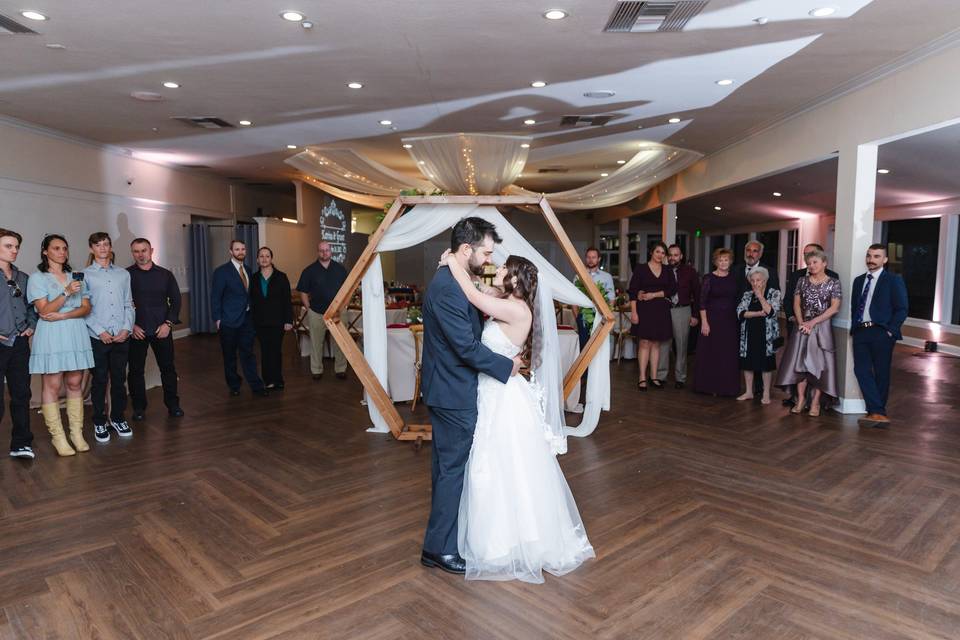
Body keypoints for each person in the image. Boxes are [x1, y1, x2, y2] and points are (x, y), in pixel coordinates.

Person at [440, 249, 595, 583]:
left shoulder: (514, 308)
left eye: (505, 268)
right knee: (498, 465)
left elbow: (471, 294)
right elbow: (482, 294)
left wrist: (454, 262)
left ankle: (505, 543)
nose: (498, 269)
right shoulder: (508, 300)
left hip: (502, 396)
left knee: (499, 465)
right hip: (495, 389)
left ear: (514, 277)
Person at [419, 217, 522, 576]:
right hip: (452, 392)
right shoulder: (448, 288)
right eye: (486, 252)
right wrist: (505, 366)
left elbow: (497, 280)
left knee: (446, 469)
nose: (491, 260)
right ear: (467, 250)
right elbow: (465, 346)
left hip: (448, 387)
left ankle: (439, 541)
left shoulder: (456, 275)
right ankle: (439, 550)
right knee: (451, 472)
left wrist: (455, 260)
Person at [27, 234, 94, 457]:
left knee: (75, 382)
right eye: (56, 248)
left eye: (65, 248)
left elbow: (86, 308)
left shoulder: (75, 275)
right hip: (51, 334)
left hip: (74, 330)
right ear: (45, 251)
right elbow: (44, 311)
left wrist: (65, 316)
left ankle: (76, 433)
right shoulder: (38, 278)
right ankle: (59, 437)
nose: (62, 252)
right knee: (53, 384)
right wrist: (66, 292)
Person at [775, 248, 842, 416]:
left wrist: (812, 322)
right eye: (809, 263)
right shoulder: (802, 281)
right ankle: (801, 399)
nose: (811, 266)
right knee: (800, 366)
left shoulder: (833, 283)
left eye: (815, 263)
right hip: (803, 328)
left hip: (822, 329)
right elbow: (796, 304)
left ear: (824, 263)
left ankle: (815, 403)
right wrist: (802, 322)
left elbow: (834, 308)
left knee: (820, 366)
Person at [84, 232, 135, 443]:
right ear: (91, 249)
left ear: (110, 247)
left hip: (121, 336)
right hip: (98, 337)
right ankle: (99, 420)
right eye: (98, 245)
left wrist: (126, 328)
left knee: (119, 379)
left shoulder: (123, 274)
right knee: (100, 380)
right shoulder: (84, 274)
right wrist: (100, 331)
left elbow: (128, 303)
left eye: (106, 244)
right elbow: (84, 308)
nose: (103, 248)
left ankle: (118, 417)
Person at [850, 244, 908, 428]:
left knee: (881, 373)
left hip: (881, 332)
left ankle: (876, 412)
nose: (871, 260)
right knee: (861, 370)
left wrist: (890, 330)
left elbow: (902, 308)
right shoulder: (859, 281)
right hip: (860, 331)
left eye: (876, 256)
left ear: (884, 260)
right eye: (869, 256)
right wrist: (854, 326)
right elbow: (855, 306)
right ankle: (877, 412)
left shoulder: (893, 280)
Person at [127, 237, 184, 421]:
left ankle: (173, 405)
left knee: (168, 369)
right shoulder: (126, 275)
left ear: (151, 251)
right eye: (136, 251)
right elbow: (122, 304)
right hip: (137, 331)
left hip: (162, 330)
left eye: (144, 250)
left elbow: (176, 301)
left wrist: (168, 324)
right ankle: (139, 408)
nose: (140, 254)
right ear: (132, 253)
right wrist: (131, 326)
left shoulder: (165, 274)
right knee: (136, 371)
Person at [211, 240, 267, 397]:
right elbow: (215, 297)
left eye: (243, 249)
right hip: (228, 321)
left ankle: (256, 386)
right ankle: (234, 384)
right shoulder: (221, 272)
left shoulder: (248, 270)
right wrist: (217, 318)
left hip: (247, 320)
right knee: (229, 356)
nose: (240, 251)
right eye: (237, 249)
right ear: (231, 251)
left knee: (248, 353)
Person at [0, 228, 38, 459]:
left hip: (20, 344)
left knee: (22, 394)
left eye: (16, 246)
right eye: (8, 246)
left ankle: (22, 443)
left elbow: (32, 307)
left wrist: (31, 325)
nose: (14, 250)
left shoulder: (23, 278)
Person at [628, 242, 677, 390]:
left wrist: (654, 295)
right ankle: (642, 377)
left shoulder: (668, 270)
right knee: (644, 343)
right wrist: (634, 312)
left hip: (661, 310)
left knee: (656, 344)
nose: (660, 255)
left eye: (663, 253)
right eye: (658, 252)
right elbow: (633, 291)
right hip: (644, 310)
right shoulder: (641, 269)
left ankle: (653, 377)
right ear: (651, 252)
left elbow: (672, 289)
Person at [297, 241, 348, 380]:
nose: (324, 253)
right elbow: (303, 291)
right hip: (317, 312)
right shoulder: (309, 270)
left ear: (331, 251)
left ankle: (340, 369)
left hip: (338, 312)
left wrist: (344, 306)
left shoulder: (340, 269)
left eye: (327, 250)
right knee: (316, 342)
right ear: (317, 252)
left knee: (341, 342)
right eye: (321, 250)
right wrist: (309, 308)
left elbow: (348, 290)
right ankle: (316, 370)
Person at [693, 248, 741, 396]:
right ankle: (707, 386)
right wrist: (705, 323)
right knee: (710, 353)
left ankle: (726, 388)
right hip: (712, 321)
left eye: (726, 260)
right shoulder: (709, 278)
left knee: (727, 354)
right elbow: (702, 302)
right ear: (715, 262)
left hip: (730, 321)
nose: (724, 262)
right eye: (721, 260)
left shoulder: (734, 278)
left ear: (730, 261)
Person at [736, 267, 782, 404]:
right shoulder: (747, 295)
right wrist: (757, 314)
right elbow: (740, 313)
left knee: (766, 364)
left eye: (759, 280)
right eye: (753, 280)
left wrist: (761, 297)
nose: (756, 283)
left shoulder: (774, 293)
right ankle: (749, 392)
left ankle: (766, 394)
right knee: (748, 363)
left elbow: (771, 311)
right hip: (749, 332)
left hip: (767, 335)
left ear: (765, 280)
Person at [656, 243, 700, 389]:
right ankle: (661, 376)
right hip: (664, 310)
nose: (673, 258)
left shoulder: (690, 272)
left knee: (681, 345)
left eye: (676, 255)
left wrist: (695, 315)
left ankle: (680, 378)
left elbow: (697, 294)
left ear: (681, 256)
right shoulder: (661, 270)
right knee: (663, 344)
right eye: (670, 255)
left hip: (683, 310)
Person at [250, 247, 293, 390]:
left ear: (271, 259)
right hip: (260, 322)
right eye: (261, 256)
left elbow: (287, 301)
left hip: (278, 322)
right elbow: (251, 301)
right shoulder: (254, 278)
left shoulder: (281, 277)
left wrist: (288, 320)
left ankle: (278, 379)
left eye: (267, 256)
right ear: (257, 260)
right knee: (264, 350)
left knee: (275, 350)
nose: (264, 258)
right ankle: (268, 380)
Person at [571, 247, 615, 348]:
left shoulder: (607, 277)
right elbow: (574, 298)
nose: (591, 260)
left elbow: (611, 298)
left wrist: (607, 316)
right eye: (588, 257)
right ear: (585, 258)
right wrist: (578, 317)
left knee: (600, 346)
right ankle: (585, 365)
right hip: (583, 317)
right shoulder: (578, 276)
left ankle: (599, 364)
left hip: (601, 316)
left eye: (594, 257)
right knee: (584, 346)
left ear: (599, 259)